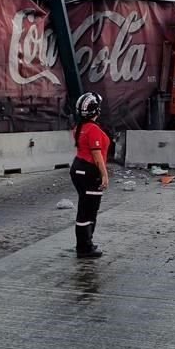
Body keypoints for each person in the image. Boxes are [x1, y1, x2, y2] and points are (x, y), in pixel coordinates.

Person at [69, 92, 110, 259]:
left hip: (78, 168)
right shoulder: (92, 129)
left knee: (85, 207)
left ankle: (84, 244)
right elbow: (97, 155)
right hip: (90, 171)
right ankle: (85, 247)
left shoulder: (79, 128)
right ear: (96, 110)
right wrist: (105, 175)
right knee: (89, 211)